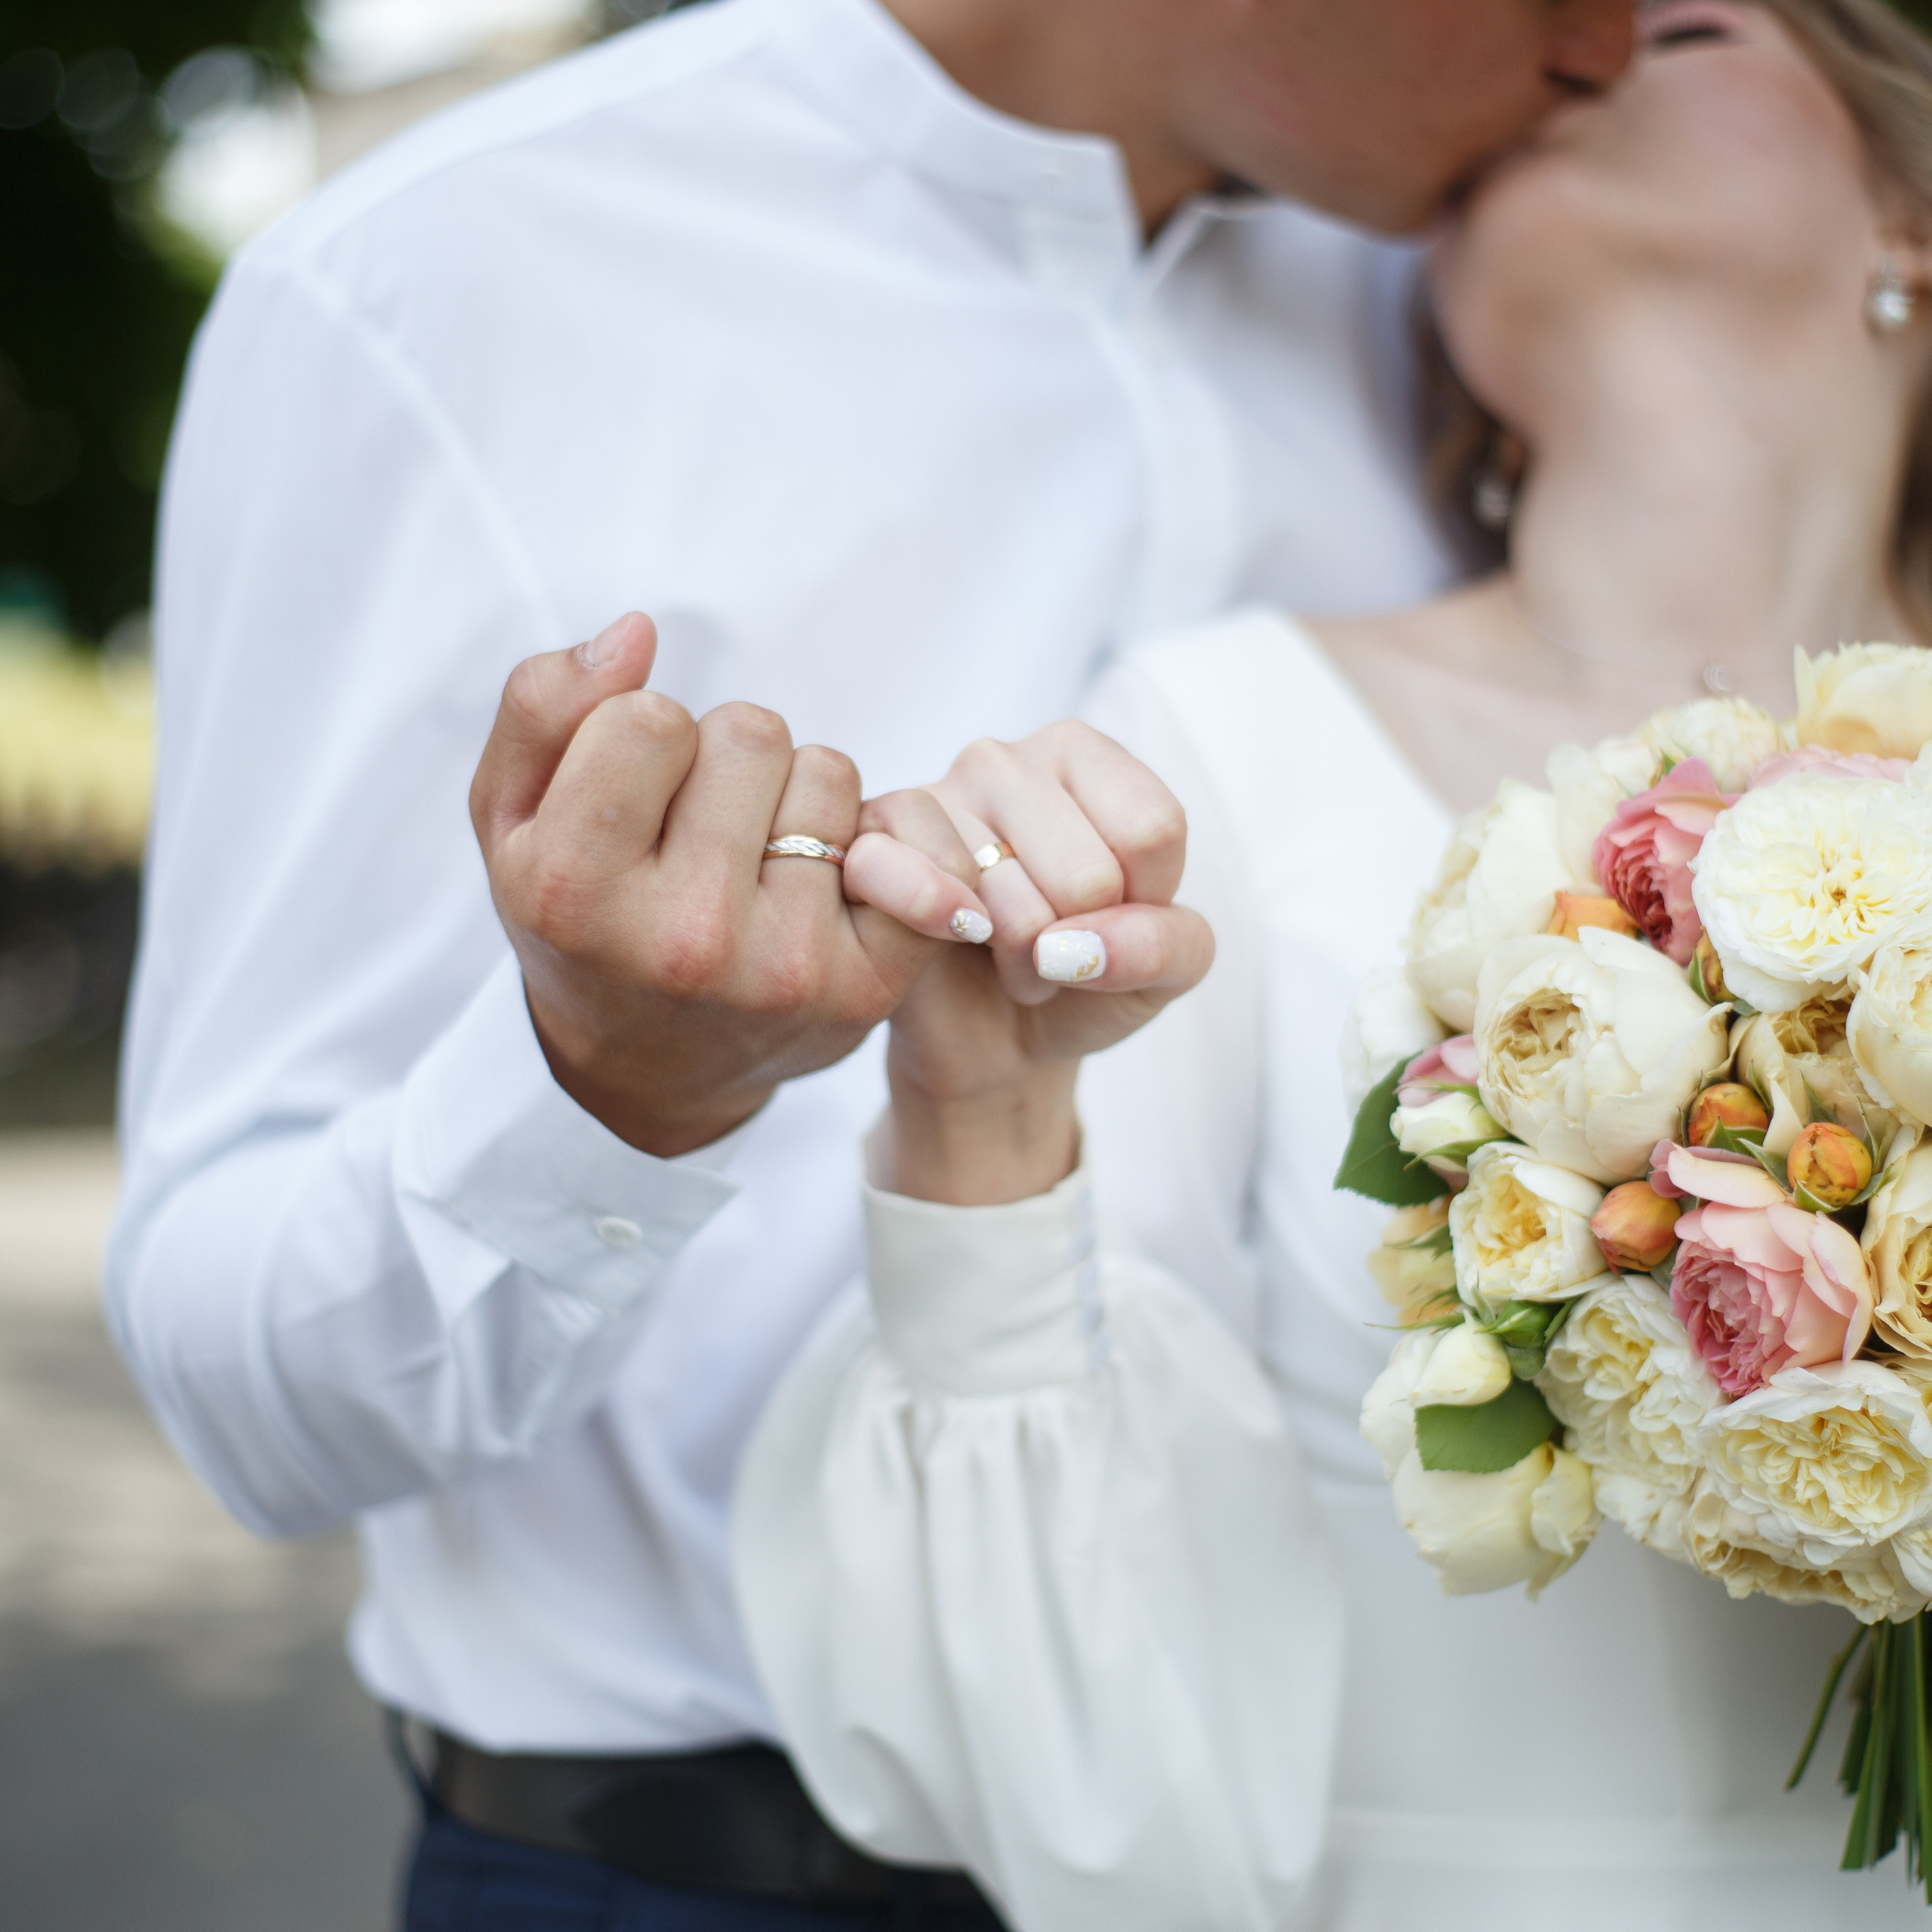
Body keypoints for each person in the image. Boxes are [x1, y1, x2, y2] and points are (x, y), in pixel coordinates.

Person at [105, 0, 1635, 1924]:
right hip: (702, 1867)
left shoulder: (1474, 299)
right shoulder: (436, 283)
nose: (1610, 49)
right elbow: (243, 1394)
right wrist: (602, 1093)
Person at [734, 0, 1932, 1927]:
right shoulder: (1206, 752)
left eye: (1681, 21)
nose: (1574, 46)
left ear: (1907, 212)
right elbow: (1063, 1697)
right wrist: (979, 1114)